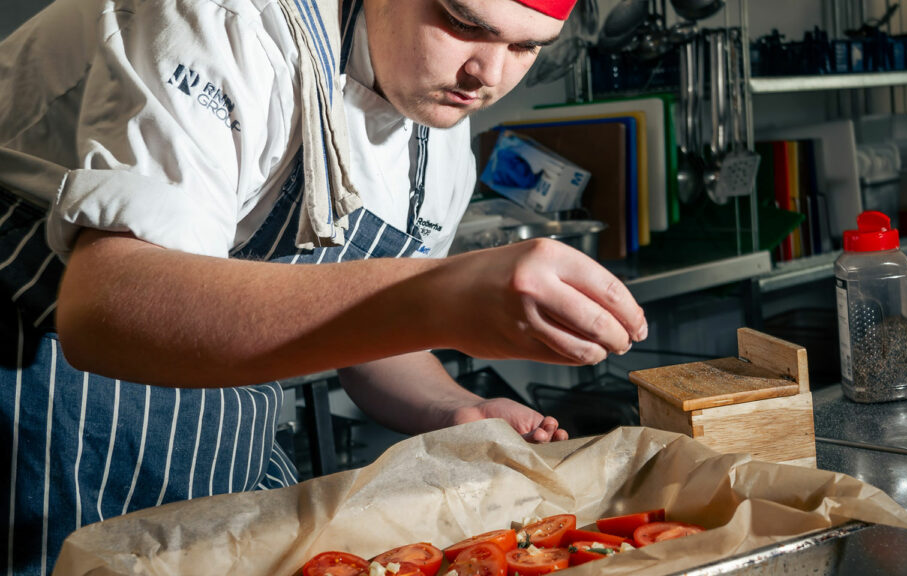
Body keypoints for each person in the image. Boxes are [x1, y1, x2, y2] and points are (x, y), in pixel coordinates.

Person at [0, 0, 648, 573]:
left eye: (525, 47)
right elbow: (106, 307)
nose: (489, 75)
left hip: (230, 424)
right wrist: (441, 294)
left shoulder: (439, 132)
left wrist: (455, 410)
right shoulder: (223, 20)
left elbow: (358, 330)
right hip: (43, 394)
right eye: (462, 23)